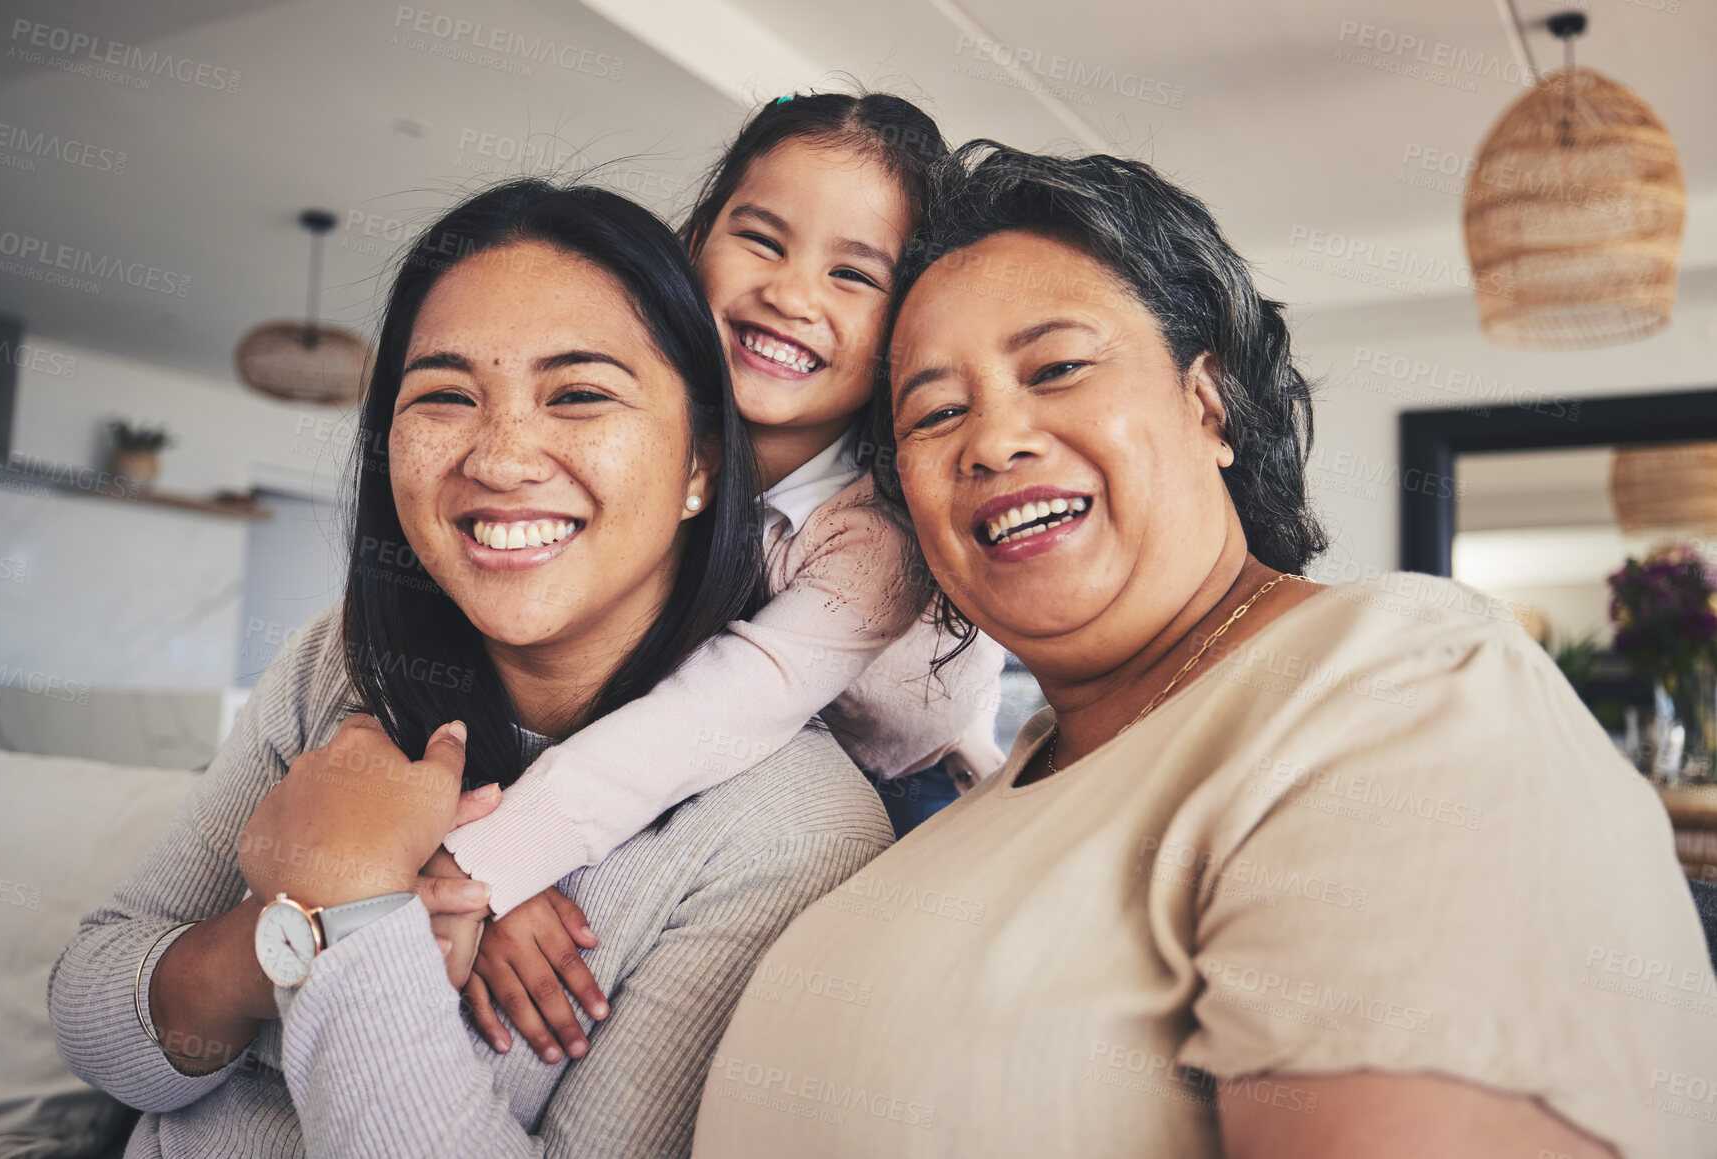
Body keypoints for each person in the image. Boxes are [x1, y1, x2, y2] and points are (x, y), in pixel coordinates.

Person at [692, 143, 1717, 1158]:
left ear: (1206, 401)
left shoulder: (1394, 685)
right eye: (936, 411)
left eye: (1055, 368)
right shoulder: (984, 786)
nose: (992, 440)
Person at [48, 178, 892, 1158]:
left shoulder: (790, 829)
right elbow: (97, 1030)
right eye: (445, 395)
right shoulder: (337, 660)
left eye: (577, 394)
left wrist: (360, 913)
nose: (499, 457)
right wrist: (292, 930)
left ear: (701, 459)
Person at [437, 92, 1007, 1067]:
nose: (792, 293)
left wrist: (477, 867)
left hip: (899, 779)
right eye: (761, 239)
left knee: (851, 1017)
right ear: (694, 241)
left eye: (851, 274)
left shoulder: (878, 536)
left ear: (908, 328)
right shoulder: (637, 431)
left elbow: (714, 713)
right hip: (684, 735)